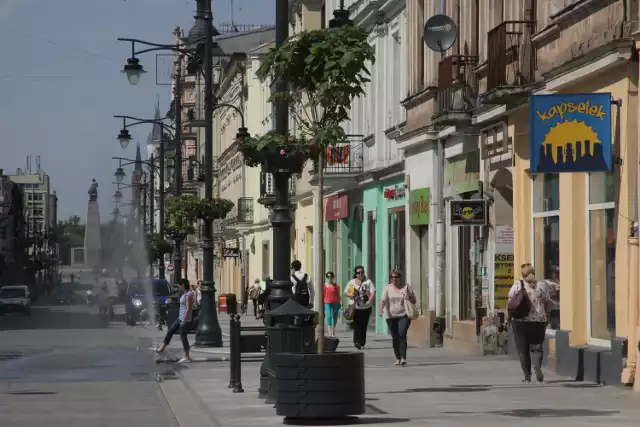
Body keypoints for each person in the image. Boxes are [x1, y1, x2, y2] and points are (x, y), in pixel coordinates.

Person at [507, 263, 552, 383]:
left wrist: (508, 318)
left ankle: (527, 376)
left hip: (520, 322)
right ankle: (537, 366)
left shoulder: (518, 285)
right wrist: (546, 317)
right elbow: (547, 303)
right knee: (537, 347)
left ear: (522, 274)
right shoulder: (542, 286)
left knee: (523, 349)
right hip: (538, 322)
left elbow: (510, 303)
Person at [379, 269, 415, 366]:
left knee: (402, 333)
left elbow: (414, 300)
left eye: (396, 277)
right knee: (395, 337)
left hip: (404, 315)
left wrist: (409, 298)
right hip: (391, 316)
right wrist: (381, 310)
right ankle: (398, 357)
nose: (394, 279)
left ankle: (403, 358)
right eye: (392, 277)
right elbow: (382, 300)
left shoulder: (406, 288)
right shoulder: (388, 288)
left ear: (400, 278)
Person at [156, 280, 194, 363]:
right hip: (180, 318)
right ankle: (161, 348)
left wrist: (184, 320)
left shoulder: (187, 295)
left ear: (183, 285)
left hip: (184, 319)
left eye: (180, 286)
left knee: (183, 337)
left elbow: (188, 309)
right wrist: (176, 285)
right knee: (171, 331)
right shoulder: (186, 293)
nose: (179, 289)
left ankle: (187, 356)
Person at [345, 265, 376, 349]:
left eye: (362, 272)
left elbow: (373, 292)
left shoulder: (368, 281)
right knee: (356, 325)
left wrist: (370, 300)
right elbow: (345, 292)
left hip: (366, 307)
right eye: (358, 273)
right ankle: (356, 342)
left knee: (363, 325)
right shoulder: (351, 282)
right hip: (356, 307)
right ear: (355, 274)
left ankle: (362, 342)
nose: (360, 274)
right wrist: (351, 294)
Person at [323, 271, 341, 338]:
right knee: (329, 316)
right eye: (328, 277)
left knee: (335, 317)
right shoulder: (324, 286)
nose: (329, 279)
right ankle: (329, 331)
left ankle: (333, 331)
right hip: (327, 302)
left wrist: (341, 302)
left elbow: (339, 295)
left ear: (333, 277)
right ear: (326, 278)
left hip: (335, 302)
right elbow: (323, 295)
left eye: (331, 277)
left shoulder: (336, 286)